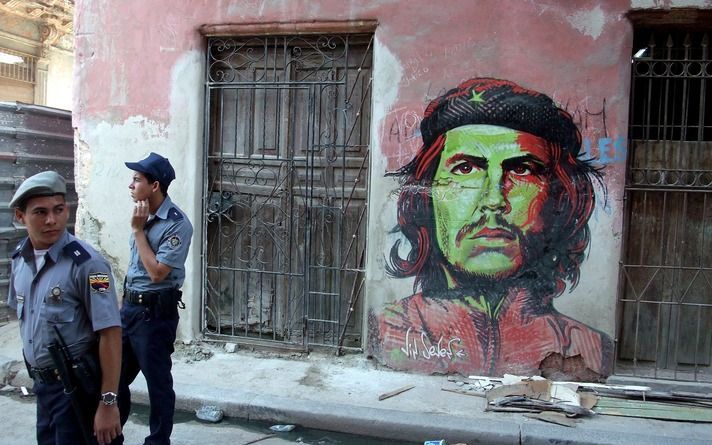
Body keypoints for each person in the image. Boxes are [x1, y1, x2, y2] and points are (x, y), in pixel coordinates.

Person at [370, 78, 613, 379]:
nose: (494, 200)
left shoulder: (587, 348)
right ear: (426, 197)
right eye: (466, 169)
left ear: (559, 201)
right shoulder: (387, 330)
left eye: (522, 170)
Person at [7, 171, 123, 445]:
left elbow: (110, 333)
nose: (51, 220)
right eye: (40, 212)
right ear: (20, 216)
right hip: (44, 389)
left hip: (79, 389)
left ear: (66, 210)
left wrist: (108, 402)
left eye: (58, 210)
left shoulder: (87, 265)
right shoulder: (19, 261)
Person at [118, 152, 193, 445]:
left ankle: (158, 441)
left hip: (154, 315)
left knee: (158, 384)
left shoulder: (177, 224)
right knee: (113, 380)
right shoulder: (144, 216)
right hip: (130, 311)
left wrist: (138, 231)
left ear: (155, 185)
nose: (131, 185)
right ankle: (112, 436)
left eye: (137, 179)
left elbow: (158, 273)